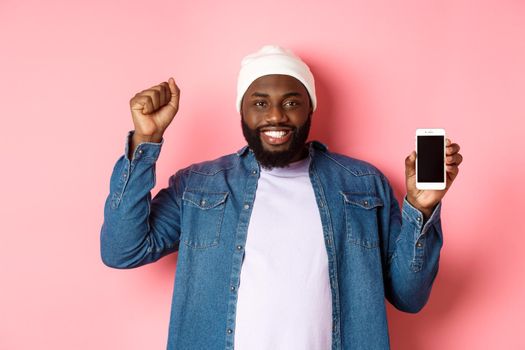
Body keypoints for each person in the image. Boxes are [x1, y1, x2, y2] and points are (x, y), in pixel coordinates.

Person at [100, 45, 463, 350]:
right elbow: (122, 249)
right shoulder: (199, 185)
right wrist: (145, 142)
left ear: (310, 108)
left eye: (292, 102)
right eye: (260, 103)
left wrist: (422, 207)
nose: (276, 115)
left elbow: (410, 297)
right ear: (241, 109)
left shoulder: (363, 183)